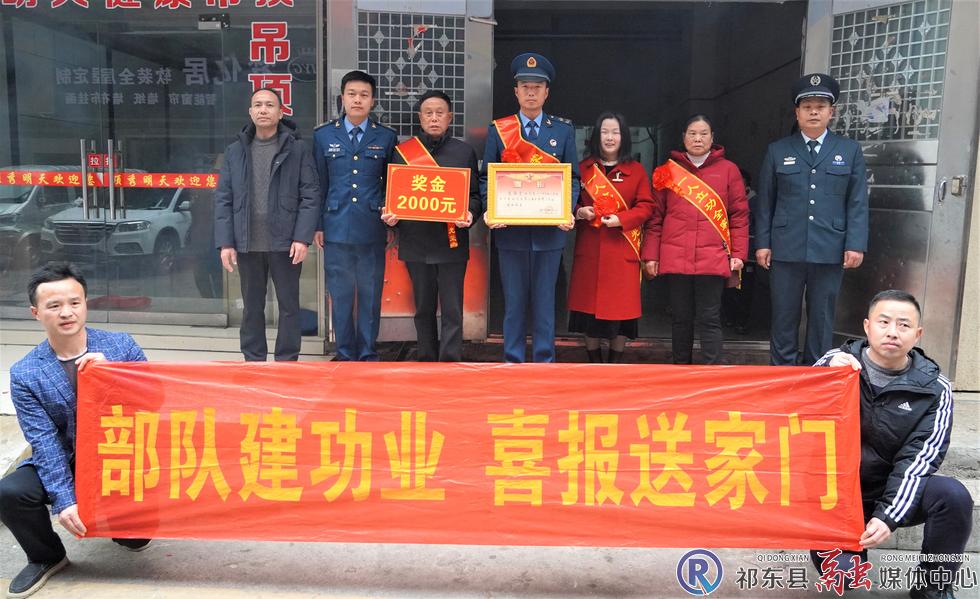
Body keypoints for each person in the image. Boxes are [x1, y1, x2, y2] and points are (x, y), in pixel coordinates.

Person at [0, 262, 151, 599]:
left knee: (135, 539)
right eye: (54, 305)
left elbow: (154, 401)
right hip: (68, 456)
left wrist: (114, 375)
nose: (66, 312)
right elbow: (44, 441)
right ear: (36, 313)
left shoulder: (120, 347)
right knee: (11, 492)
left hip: (119, 455)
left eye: (74, 302)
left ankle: (122, 524)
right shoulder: (25, 373)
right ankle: (46, 556)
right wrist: (64, 501)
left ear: (86, 304)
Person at [813, 290, 973, 599]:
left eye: (904, 325)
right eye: (883, 322)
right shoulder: (835, 364)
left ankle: (934, 586)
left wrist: (889, 514)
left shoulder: (935, 388)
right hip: (835, 498)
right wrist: (825, 373)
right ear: (867, 326)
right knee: (844, 576)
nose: (892, 332)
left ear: (918, 334)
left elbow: (920, 459)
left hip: (893, 488)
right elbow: (795, 412)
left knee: (953, 496)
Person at [755, 73, 869, 366]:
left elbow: (857, 201)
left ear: (832, 112)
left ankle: (817, 372)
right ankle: (782, 374)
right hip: (786, 247)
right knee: (784, 315)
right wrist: (763, 243)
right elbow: (766, 201)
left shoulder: (849, 150)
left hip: (830, 247)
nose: (814, 112)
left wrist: (855, 244)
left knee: (822, 316)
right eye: (807, 107)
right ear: (797, 113)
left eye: (820, 107)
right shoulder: (778, 150)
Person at [479, 52, 580, 363]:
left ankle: (544, 361)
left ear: (547, 92)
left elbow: (573, 178)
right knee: (514, 302)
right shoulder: (500, 130)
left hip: (549, 234)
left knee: (545, 303)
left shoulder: (562, 131)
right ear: (516, 92)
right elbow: (486, 177)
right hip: (511, 233)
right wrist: (489, 209)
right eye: (525, 87)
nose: (531, 92)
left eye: (537, 87)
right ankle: (513, 360)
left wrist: (567, 209)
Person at [214, 87, 321, 362]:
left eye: (270, 105)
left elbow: (310, 195)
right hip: (248, 242)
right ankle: (253, 359)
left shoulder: (297, 149)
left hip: (285, 242)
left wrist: (302, 238)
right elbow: (224, 198)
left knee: (289, 306)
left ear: (281, 112)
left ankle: (287, 360)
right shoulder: (235, 151)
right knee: (252, 307)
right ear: (250, 112)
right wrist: (226, 242)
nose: (263, 109)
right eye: (258, 105)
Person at [381, 90, 481, 361]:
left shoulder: (464, 152)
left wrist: (470, 213)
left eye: (440, 113)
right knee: (423, 308)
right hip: (416, 242)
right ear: (420, 117)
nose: (434, 118)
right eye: (428, 113)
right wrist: (391, 214)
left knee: (452, 309)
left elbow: (475, 195)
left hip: (451, 242)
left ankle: (450, 361)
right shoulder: (403, 152)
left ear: (450, 117)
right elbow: (391, 194)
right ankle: (425, 359)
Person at [641, 115, 749, 365]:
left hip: (712, 259)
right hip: (676, 257)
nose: (698, 139)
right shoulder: (668, 171)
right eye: (692, 133)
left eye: (703, 134)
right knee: (680, 318)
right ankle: (680, 371)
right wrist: (651, 255)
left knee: (709, 318)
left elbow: (739, 215)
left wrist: (739, 254)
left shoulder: (729, 170)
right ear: (683, 137)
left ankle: (712, 373)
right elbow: (655, 218)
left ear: (712, 138)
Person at [313, 71, 397, 361]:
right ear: (342, 98)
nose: (357, 100)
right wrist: (318, 225)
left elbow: (392, 184)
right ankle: (345, 352)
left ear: (372, 100)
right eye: (352, 94)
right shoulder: (323, 136)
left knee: (370, 293)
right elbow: (319, 184)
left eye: (364, 95)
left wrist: (390, 220)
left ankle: (367, 352)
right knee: (341, 293)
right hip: (335, 227)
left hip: (372, 227)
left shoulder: (386, 137)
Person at [567, 112, 654, 363]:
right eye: (604, 132)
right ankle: (595, 364)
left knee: (621, 313)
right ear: (596, 136)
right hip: (590, 251)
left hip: (622, 249)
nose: (609, 137)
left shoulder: (636, 171)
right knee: (588, 313)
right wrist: (579, 212)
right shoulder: (583, 169)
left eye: (615, 132)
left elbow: (646, 206)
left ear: (623, 137)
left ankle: (615, 365)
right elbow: (565, 201)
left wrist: (622, 219)